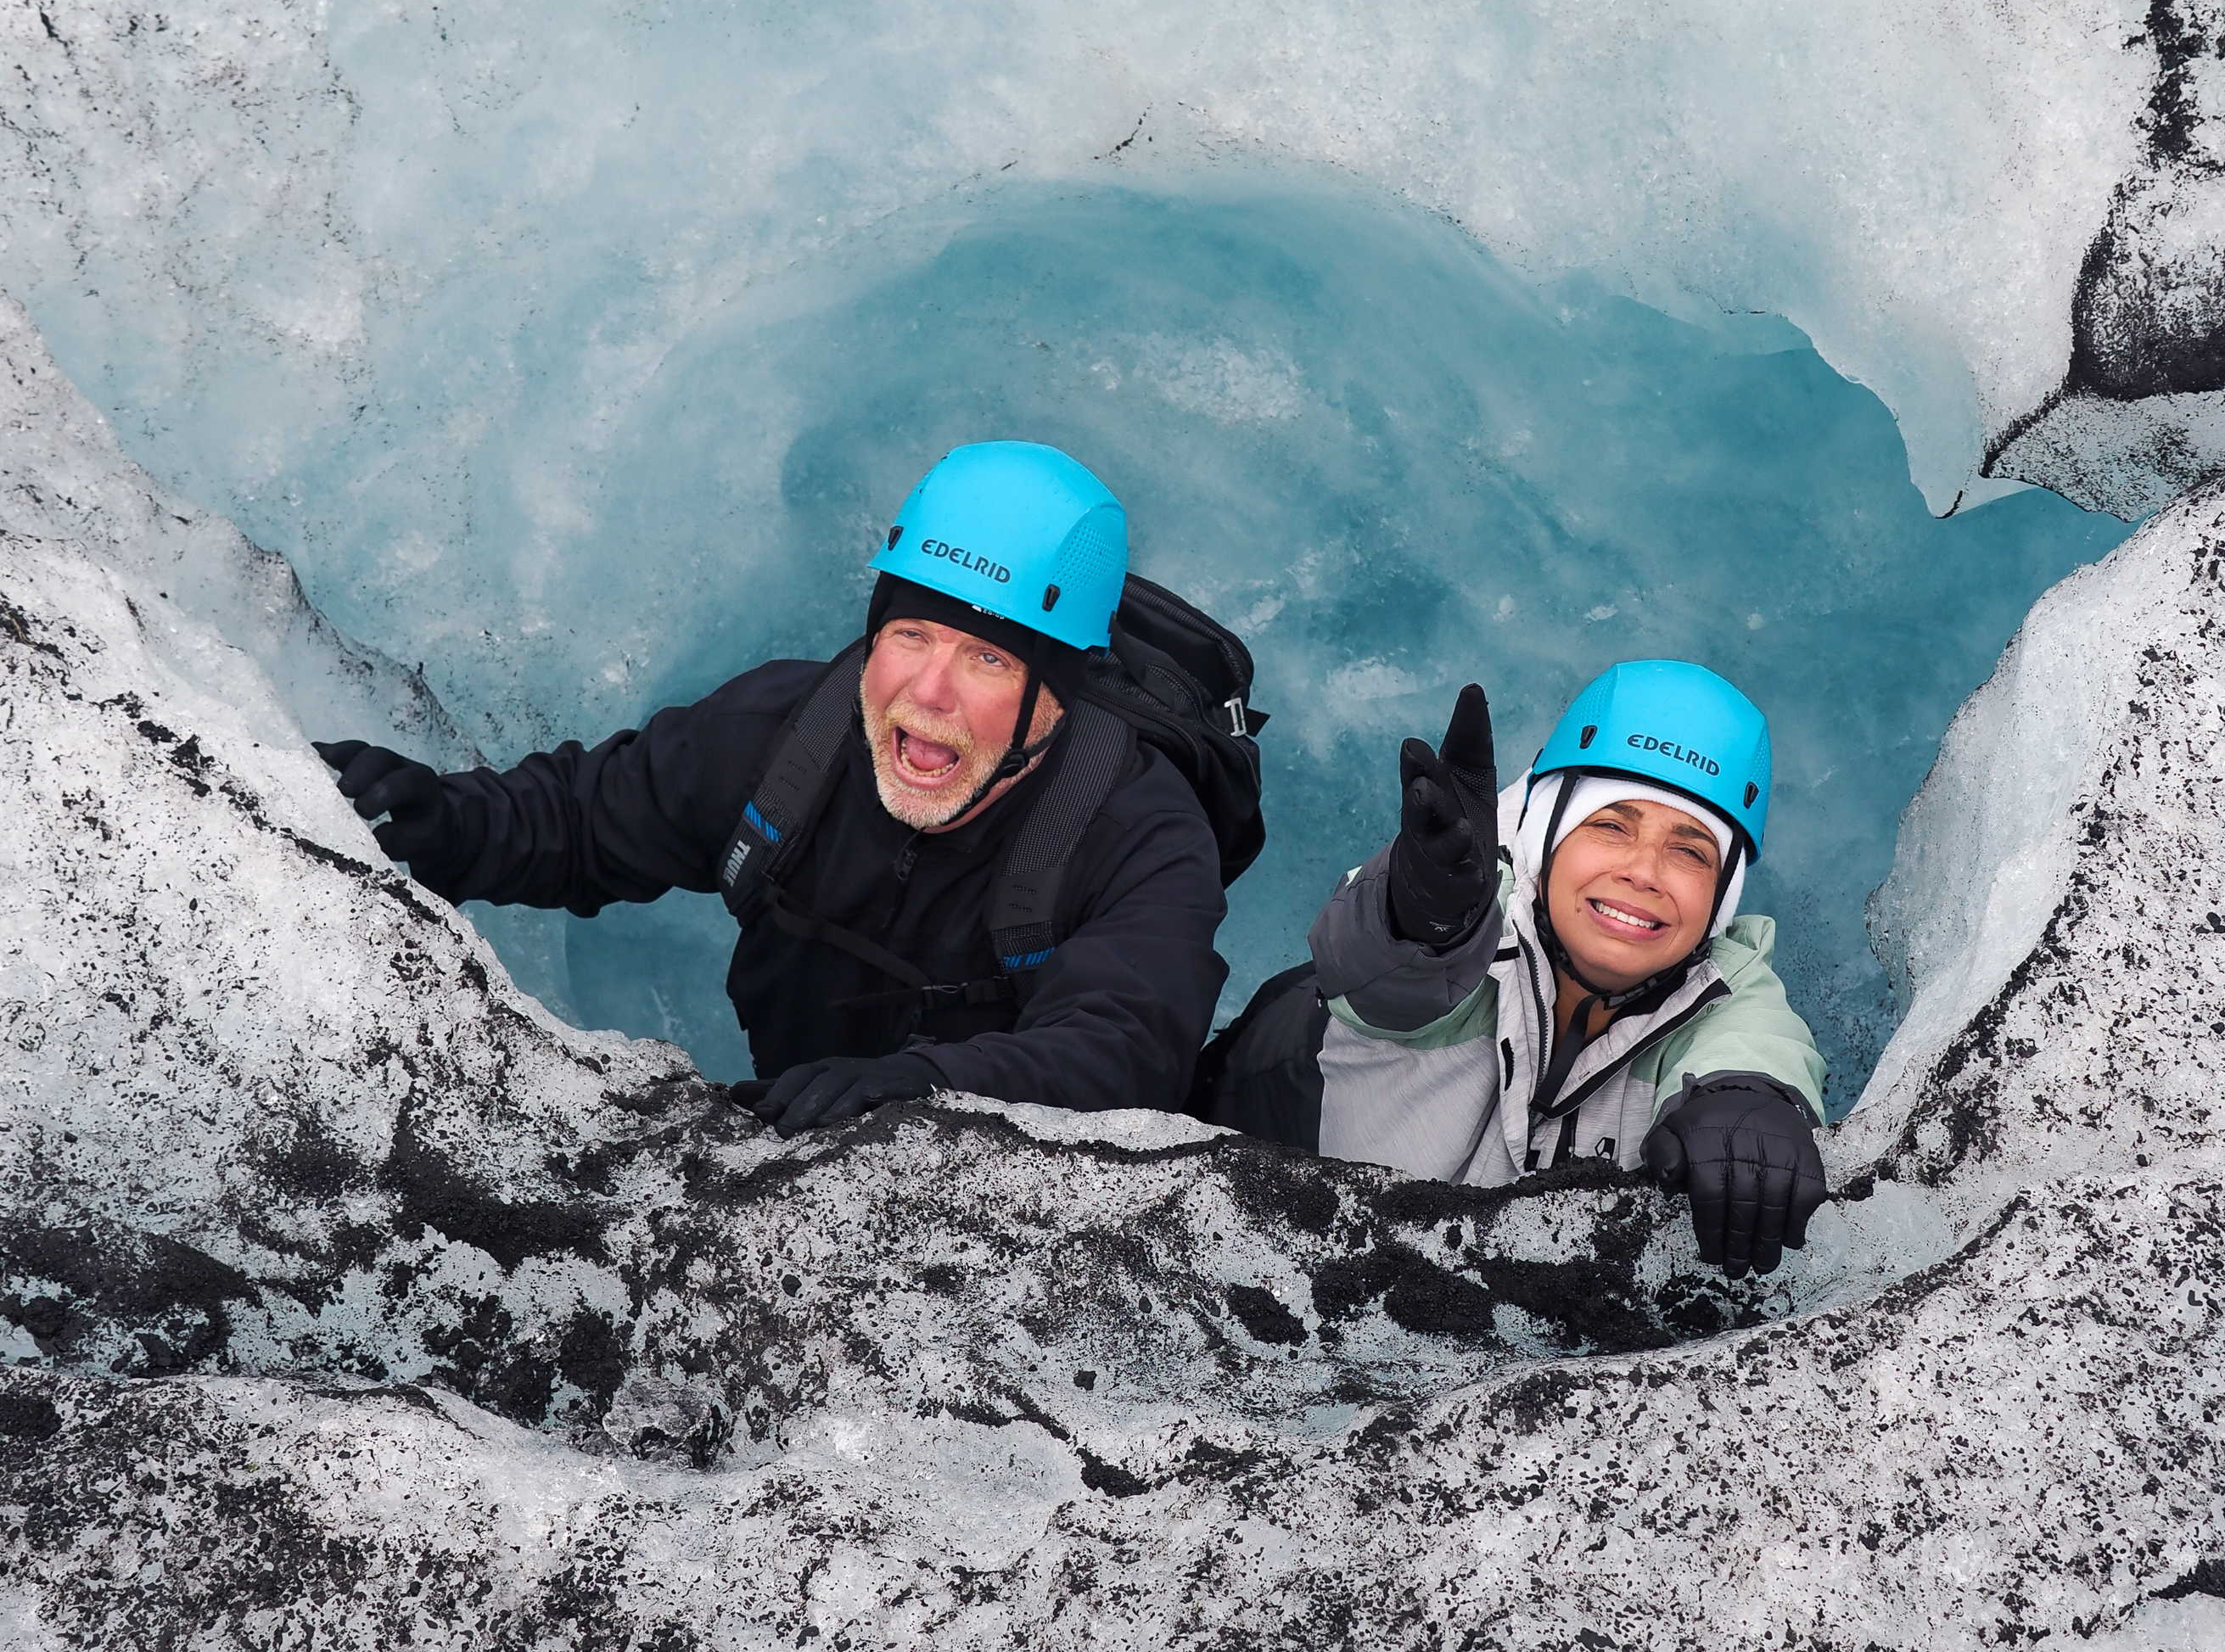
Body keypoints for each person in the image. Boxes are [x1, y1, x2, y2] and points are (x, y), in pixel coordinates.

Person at [316, 442, 1230, 1131]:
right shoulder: (787, 739)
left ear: (1055, 701)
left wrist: (934, 1089)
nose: (928, 694)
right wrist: (445, 823)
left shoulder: (1136, 832)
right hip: (790, 1140)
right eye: (911, 636)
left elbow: (1127, 1049)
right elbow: (584, 819)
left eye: (987, 659)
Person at [1201, 661, 1828, 1274]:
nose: (1644, 871)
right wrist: (1423, 917)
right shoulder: (1470, 917)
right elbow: (1369, 971)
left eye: (1690, 851)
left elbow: (1756, 1041)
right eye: (1610, 825)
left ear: (1723, 897)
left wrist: (1747, 1103)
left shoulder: (1725, 994)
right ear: (1546, 833)